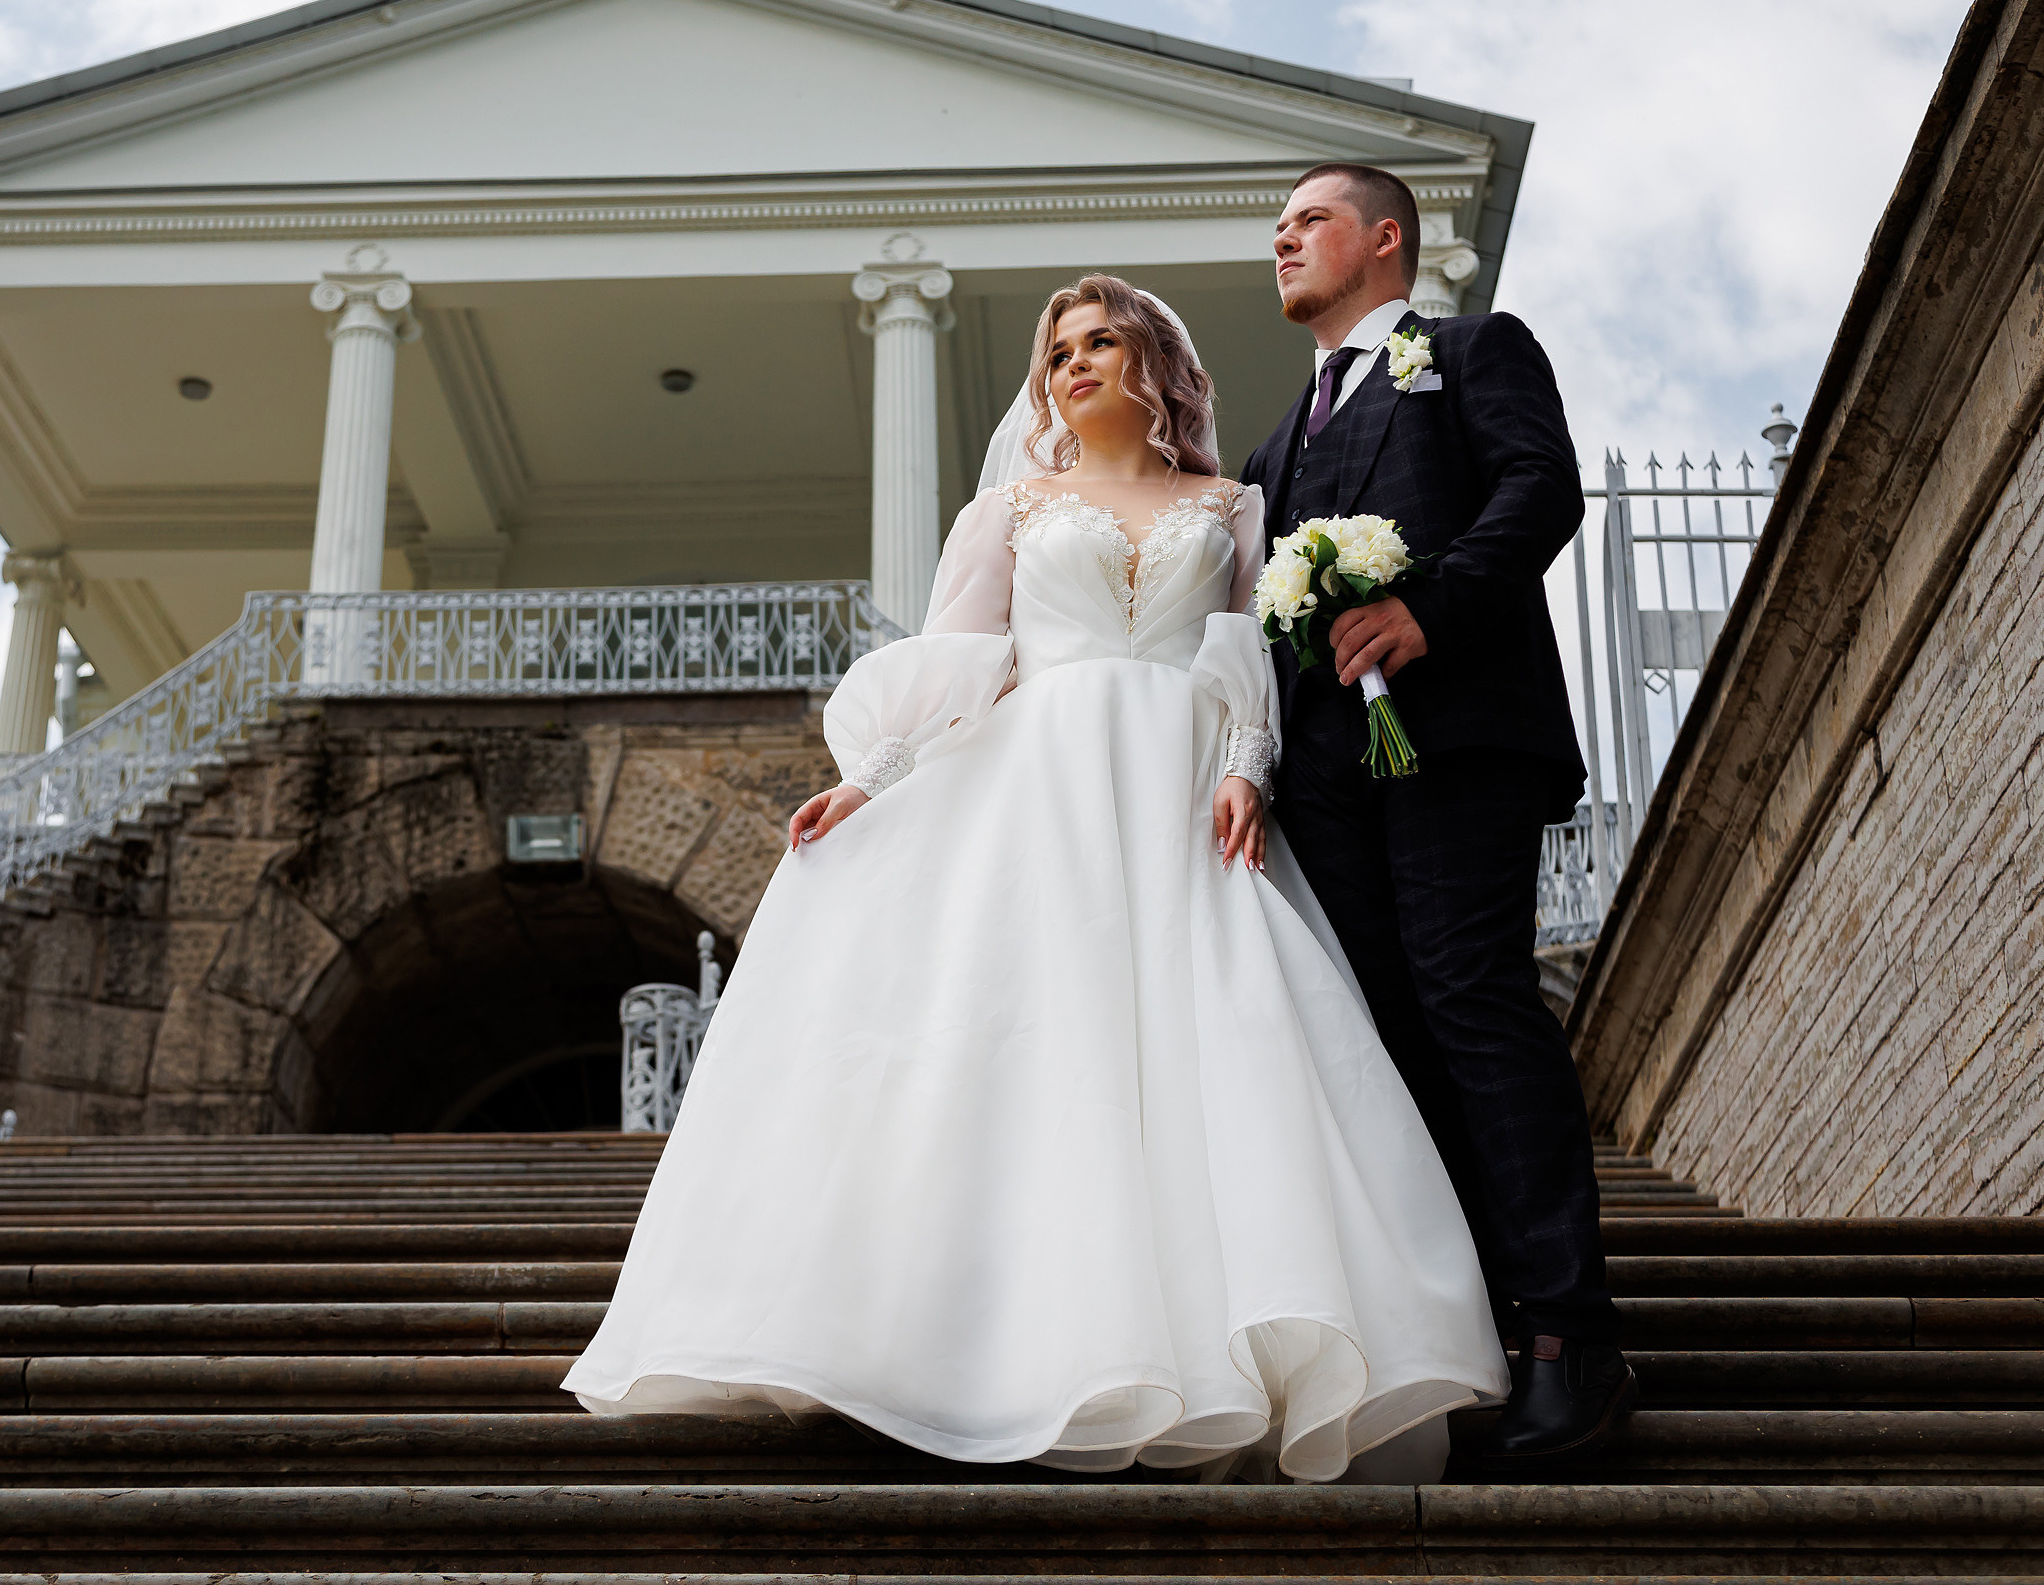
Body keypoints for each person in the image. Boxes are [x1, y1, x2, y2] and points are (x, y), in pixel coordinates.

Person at [563, 273, 1508, 1483]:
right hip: (1039, 780)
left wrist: (1245, 767)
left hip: (1180, 791)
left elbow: (1242, 655)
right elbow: (966, 657)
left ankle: (1211, 1339)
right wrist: (871, 778)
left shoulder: (1233, 504)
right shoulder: (1008, 507)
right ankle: (970, 1340)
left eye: (1102, 341)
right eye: (1060, 349)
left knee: (1205, 1039)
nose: (1075, 363)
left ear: (1155, 362)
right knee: (1031, 1034)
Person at [1245, 162, 1634, 1465]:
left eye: (1308, 220)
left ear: (1385, 238)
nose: (1283, 239)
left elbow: (1540, 487)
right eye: (1278, 227)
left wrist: (1431, 604)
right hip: (1323, 780)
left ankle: (1571, 1336)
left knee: (1472, 995)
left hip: (1460, 733)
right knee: (1387, 1037)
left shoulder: (1467, 352)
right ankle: (1467, 1333)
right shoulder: (1272, 448)